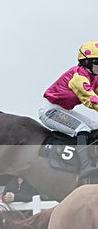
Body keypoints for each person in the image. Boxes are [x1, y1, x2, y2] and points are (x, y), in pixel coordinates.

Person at [39, 41, 98, 179]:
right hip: (50, 111)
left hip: (63, 109)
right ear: (87, 62)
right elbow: (90, 99)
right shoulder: (78, 77)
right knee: (81, 128)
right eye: (97, 62)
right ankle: (85, 166)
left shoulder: (94, 78)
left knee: (95, 126)